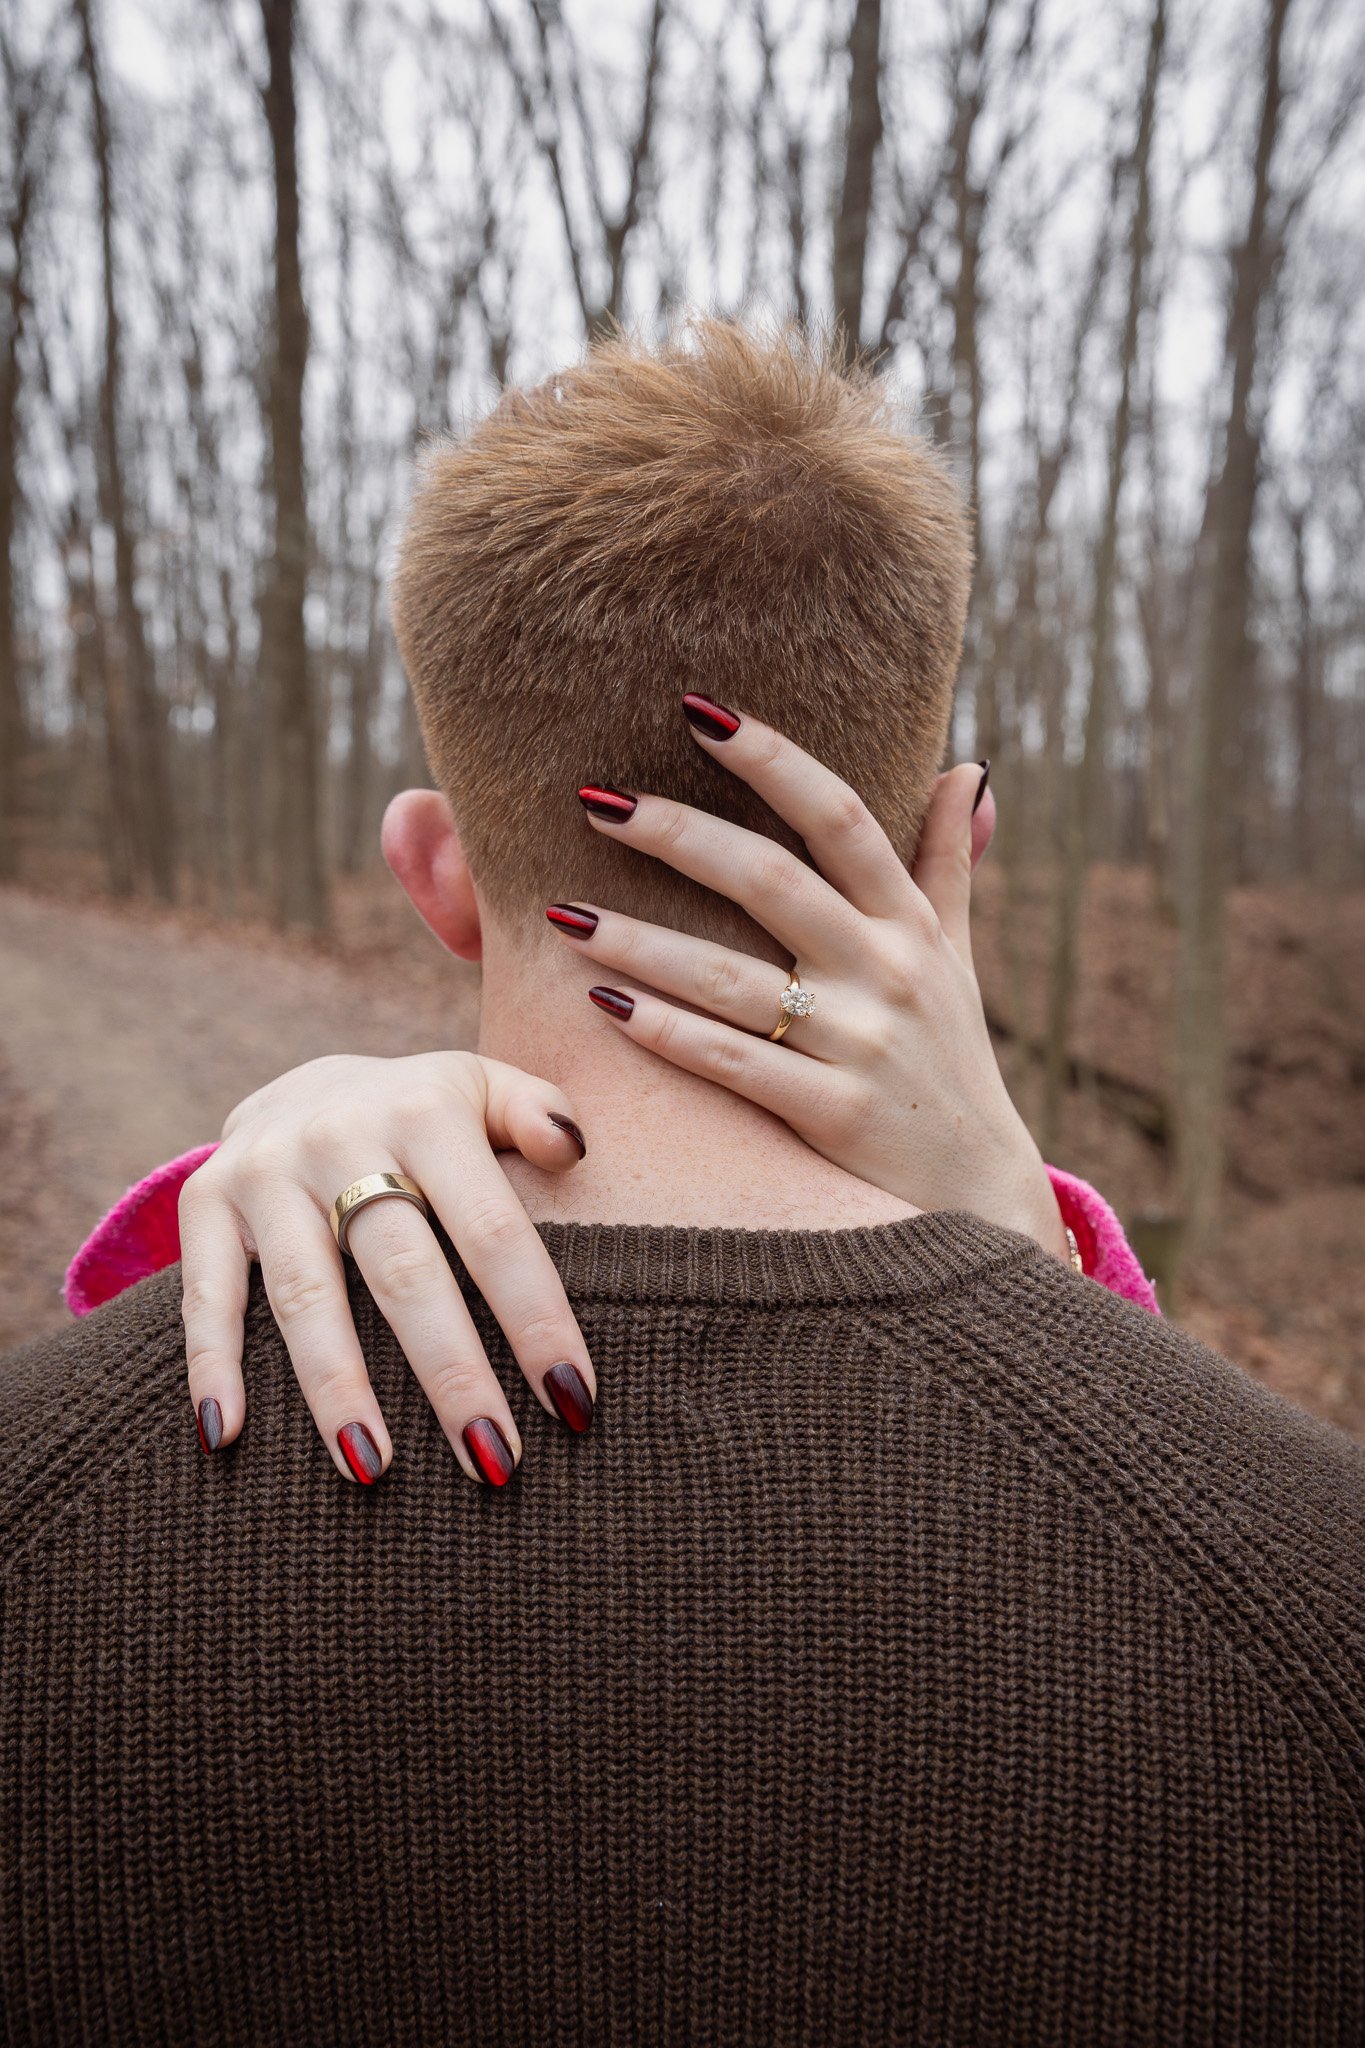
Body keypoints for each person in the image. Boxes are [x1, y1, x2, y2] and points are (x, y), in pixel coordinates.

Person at [2, 324, 1361, 2046]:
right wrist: (1030, 1259)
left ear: (433, 870)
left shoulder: (39, 1518)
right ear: (952, 845)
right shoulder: (1313, 1607)